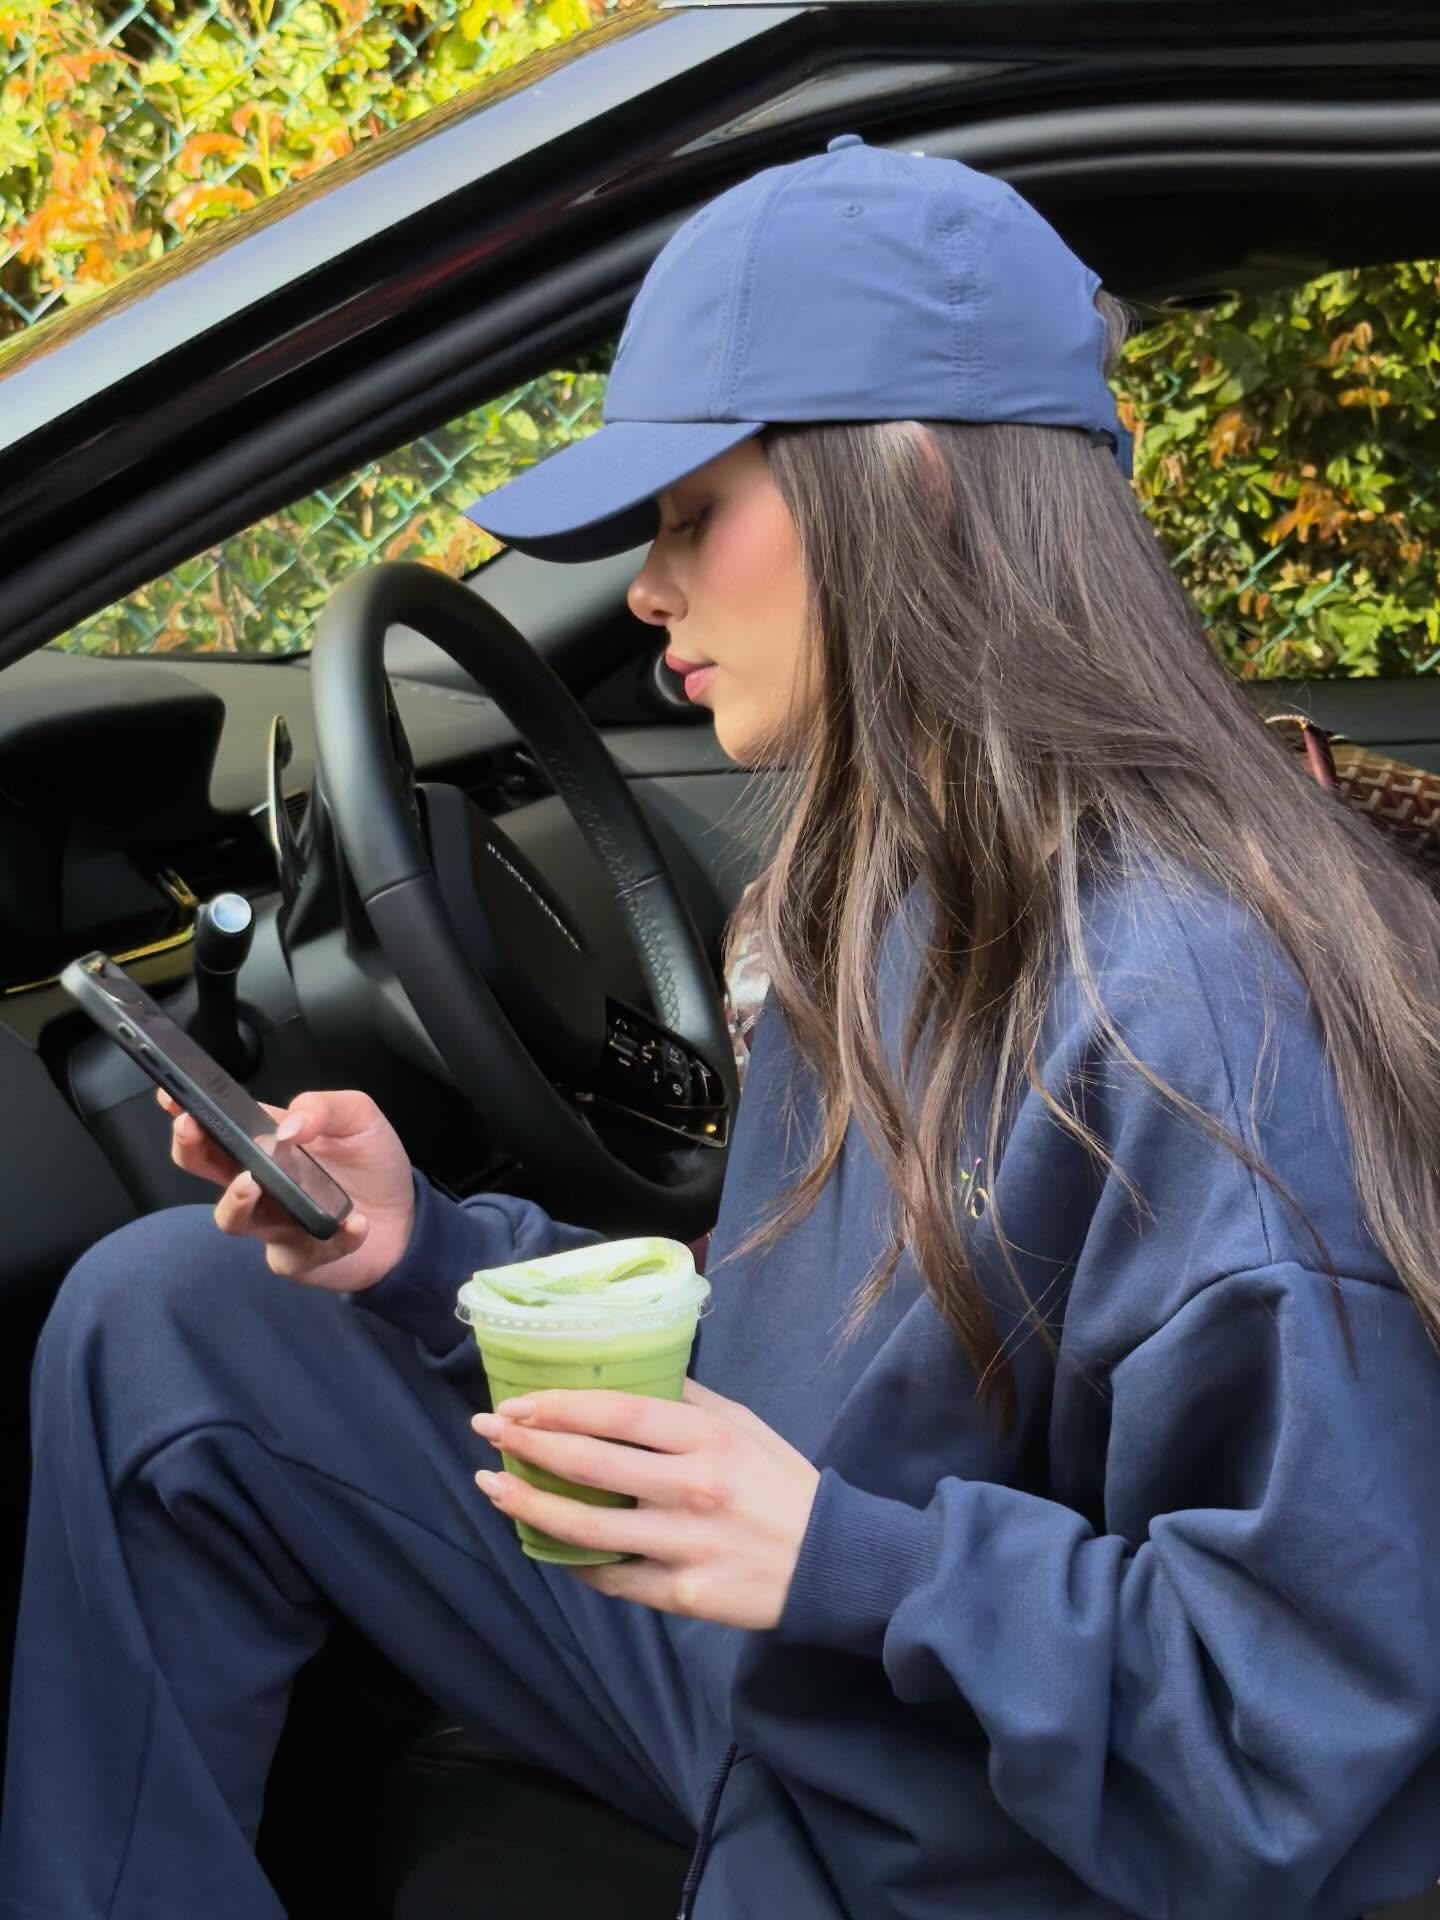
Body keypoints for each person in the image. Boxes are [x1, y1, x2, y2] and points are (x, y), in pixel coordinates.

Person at [4, 134, 1440, 1920]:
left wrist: (849, 1567)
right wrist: (422, 1256)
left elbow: (1308, 1739)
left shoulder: (1183, 1013)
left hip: (981, 1817)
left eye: (691, 517)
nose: (645, 592)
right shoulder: (885, 895)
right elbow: (818, 1395)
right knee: (174, 1318)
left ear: (904, 486)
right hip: (832, 1682)